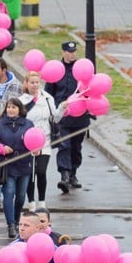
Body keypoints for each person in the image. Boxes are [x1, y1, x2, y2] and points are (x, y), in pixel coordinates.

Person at [44, 40, 87, 192]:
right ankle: (64, 175)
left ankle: (73, 173)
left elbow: (90, 90)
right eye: (69, 52)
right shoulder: (56, 70)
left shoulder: (82, 70)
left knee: (76, 147)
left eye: (74, 51)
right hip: (61, 115)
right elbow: (48, 93)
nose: (72, 54)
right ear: (63, 52)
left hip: (80, 116)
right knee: (64, 145)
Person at [0, 97, 35, 238]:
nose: (10, 109)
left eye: (14, 107)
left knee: (21, 196)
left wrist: (36, 149)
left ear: (19, 109)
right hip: (8, 163)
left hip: (24, 163)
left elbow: (35, 139)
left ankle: (16, 220)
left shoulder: (28, 124)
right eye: (8, 107)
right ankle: (10, 224)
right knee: (9, 193)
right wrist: (1, 148)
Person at [19, 71, 58, 210]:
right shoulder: (21, 100)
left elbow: (55, 116)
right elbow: (20, 118)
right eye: (32, 82)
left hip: (45, 141)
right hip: (28, 142)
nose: (35, 85)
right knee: (30, 173)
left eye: (37, 82)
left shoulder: (48, 98)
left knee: (41, 171)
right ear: (27, 84)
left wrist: (64, 108)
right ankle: (31, 202)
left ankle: (42, 201)